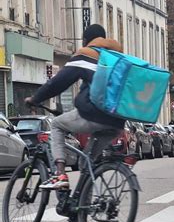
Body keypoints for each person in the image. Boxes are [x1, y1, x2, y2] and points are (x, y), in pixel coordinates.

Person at [25, 24, 125, 189]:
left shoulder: (86, 54)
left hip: (94, 114)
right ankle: (82, 208)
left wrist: (36, 98)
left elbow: (58, 83)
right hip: (117, 122)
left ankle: (60, 174)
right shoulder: (117, 57)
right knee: (87, 162)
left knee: (56, 125)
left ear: (85, 40)